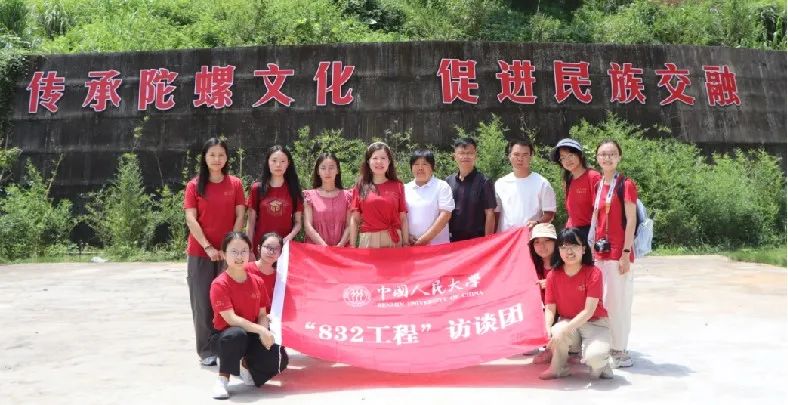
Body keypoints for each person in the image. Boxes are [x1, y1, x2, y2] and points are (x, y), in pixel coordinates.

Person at [183, 137, 246, 367]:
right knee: (202, 302)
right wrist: (208, 246)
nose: (216, 159)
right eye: (212, 155)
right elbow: (191, 218)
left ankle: (226, 347)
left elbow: (240, 215)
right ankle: (206, 350)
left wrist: (229, 247)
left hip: (228, 254)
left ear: (227, 158)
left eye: (221, 155)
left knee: (228, 302)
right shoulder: (194, 185)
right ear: (204, 158)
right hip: (200, 253)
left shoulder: (235, 184)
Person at [209, 232, 288, 399]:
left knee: (279, 359)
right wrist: (261, 330)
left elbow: (262, 314)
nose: (239, 256)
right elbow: (231, 319)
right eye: (234, 251)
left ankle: (245, 364)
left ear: (250, 253)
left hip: (251, 333)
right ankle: (223, 378)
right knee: (236, 335)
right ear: (224, 254)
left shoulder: (257, 281)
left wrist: (264, 333)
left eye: (244, 251)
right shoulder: (219, 284)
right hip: (225, 335)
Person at [539, 228, 613, 380]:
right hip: (568, 321)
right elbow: (550, 307)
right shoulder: (553, 275)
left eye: (574, 246)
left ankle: (602, 362)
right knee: (556, 329)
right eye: (563, 247)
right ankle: (558, 367)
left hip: (595, 324)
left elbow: (588, 311)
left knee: (595, 360)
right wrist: (547, 327)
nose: (569, 251)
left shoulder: (594, 273)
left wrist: (563, 331)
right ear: (558, 251)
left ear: (584, 249)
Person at [590, 139, 638, 368]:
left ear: (619, 157)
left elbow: (631, 220)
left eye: (611, 154)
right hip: (600, 253)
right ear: (597, 158)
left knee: (619, 303)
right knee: (604, 303)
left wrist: (626, 253)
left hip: (619, 253)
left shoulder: (626, 184)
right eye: (603, 154)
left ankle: (620, 351)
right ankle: (607, 347)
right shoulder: (598, 185)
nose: (607, 158)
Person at [246, 145, 303, 258]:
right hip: (260, 246)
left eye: (283, 161)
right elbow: (250, 222)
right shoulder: (257, 188)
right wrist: (249, 248)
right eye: (274, 160)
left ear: (288, 163)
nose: (278, 165)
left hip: (284, 247)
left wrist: (289, 237)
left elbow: (298, 223)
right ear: (268, 162)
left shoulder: (294, 189)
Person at [349, 142, 409, 248]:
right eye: (375, 158)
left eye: (383, 158)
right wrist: (352, 246)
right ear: (368, 161)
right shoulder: (360, 187)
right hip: (368, 241)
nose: (379, 162)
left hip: (394, 240)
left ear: (389, 161)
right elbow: (355, 219)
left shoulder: (398, 186)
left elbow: (403, 218)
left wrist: (406, 243)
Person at [495, 140, 556, 232]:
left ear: (531, 157)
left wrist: (537, 223)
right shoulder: (500, 183)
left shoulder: (542, 183)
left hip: (530, 236)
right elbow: (495, 214)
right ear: (509, 156)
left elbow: (550, 214)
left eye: (525, 155)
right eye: (516, 154)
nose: (520, 159)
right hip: (506, 236)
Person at [445, 138, 496, 242]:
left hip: (476, 240)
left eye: (469, 153)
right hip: (452, 240)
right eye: (461, 153)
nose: (465, 156)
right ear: (454, 156)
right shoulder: (448, 181)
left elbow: (490, 214)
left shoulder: (484, 181)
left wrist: (487, 242)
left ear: (475, 155)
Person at [551, 138, 601, 244]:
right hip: (574, 233)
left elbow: (601, 210)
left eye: (570, 155)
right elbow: (572, 213)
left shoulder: (593, 177)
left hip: (591, 233)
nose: (567, 160)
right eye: (563, 158)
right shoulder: (568, 180)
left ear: (579, 155)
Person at [405, 149, 455, 246]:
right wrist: (406, 236)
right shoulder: (404, 188)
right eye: (416, 164)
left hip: (437, 247)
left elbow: (445, 215)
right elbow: (401, 217)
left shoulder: (442, 186)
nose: (420, 168)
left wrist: (423, 240)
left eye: (425, 164)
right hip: (411, 246)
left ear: (432, 167)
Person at [303, 153, 352, 246]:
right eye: (323, 168)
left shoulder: (348, 196)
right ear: (318, 171)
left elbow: (350, 225)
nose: (327, 172)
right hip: (315, 249)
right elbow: (308, 226)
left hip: (342, 249)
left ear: (337, 170)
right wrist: (324, 247)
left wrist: (341, 245)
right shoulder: (309, 196)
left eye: (331, 168)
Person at [528, 222, 558, 364]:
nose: (542, 246)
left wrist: (552, 283)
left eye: (547, 240)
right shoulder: (530, 265)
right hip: (539, 312)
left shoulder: (565, 263)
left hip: (560, 313)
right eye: (537, 242)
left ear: (555, 243)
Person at [245, 232, 284, 311]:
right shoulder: (245, 269)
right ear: (259, 248)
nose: (271, 252)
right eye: (268, 247)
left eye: (276, 249)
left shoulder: (279, 278)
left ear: (280, 254)